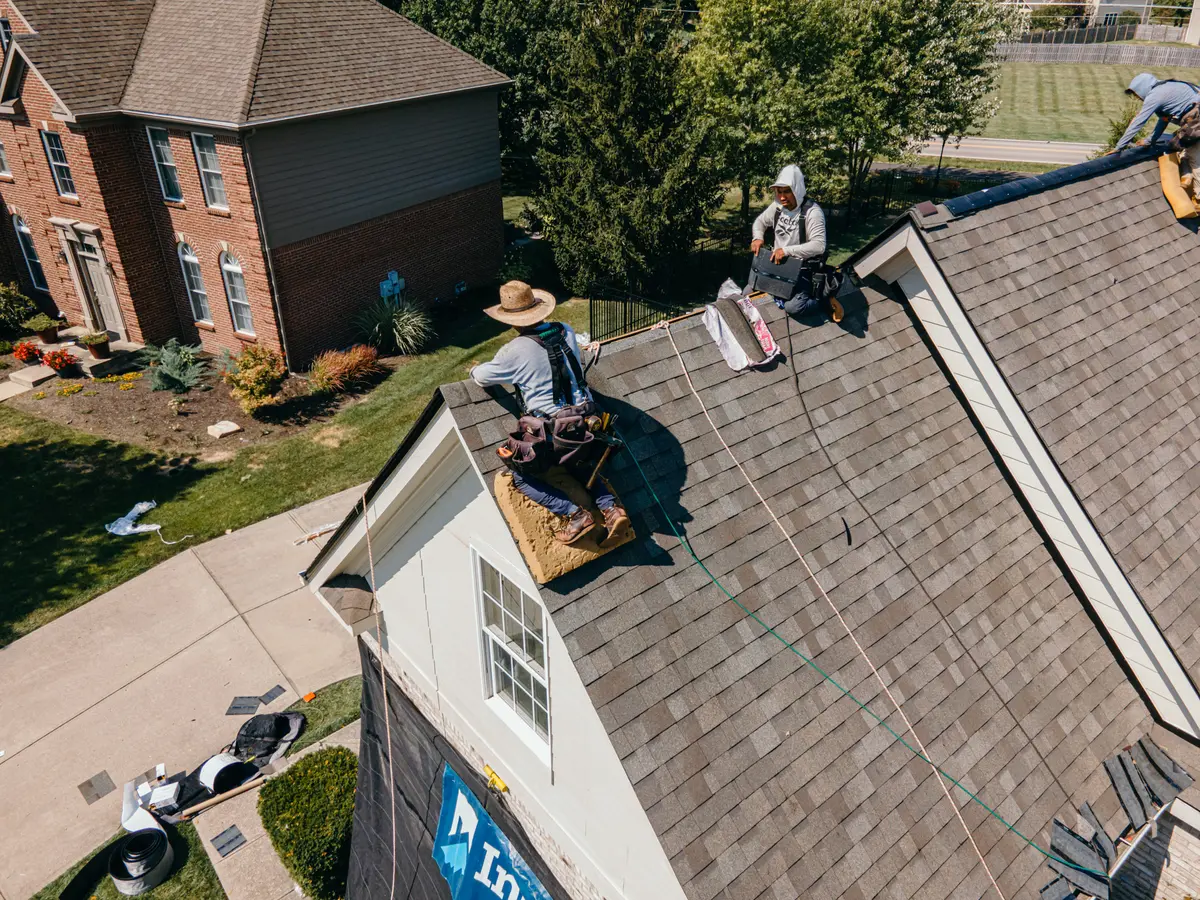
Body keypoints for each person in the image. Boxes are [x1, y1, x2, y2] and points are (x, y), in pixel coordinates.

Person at [470, 281, 630, 546]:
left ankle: (576, 515)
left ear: (511, 320)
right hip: (587, 423)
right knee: (578, 463)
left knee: (521, 476)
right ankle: (611, 510)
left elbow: (480, 377)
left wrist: (476, 368)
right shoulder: (564, 330)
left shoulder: (513, 351)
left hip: (553, 432)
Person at [750, 164, 841, 321]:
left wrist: (786, 251)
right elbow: (760, 222)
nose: (782, 197)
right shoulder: (777, 206)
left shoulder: (812, 212)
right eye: (779, 192)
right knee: (748, 293)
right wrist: (757, 237)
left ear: (797, 190)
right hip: (777, 266)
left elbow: (819, 245)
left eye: (787, 191)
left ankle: (823, 300)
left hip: (803, 270)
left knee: (794, 308)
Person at [1116, 72, 1200, 162]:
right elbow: (1163, 120)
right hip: (1195, 118)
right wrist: (1149, 141)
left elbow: (1138, 122)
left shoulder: (1155, 96)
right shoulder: (1166, 87)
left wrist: (1118, 147)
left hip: (1197, 118)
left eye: (1136, 95)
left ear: (1142, 88)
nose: (1138, 98)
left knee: (1191, 156)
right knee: (1184, 150)